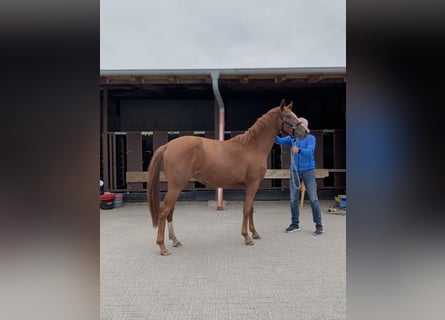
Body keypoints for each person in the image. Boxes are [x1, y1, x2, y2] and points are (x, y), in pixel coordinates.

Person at [274, 117, 323, 235]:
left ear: (305, 126)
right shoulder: (292, 138)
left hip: (308, 171)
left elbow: (310, 152)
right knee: (292, 199)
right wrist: (273, 130)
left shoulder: (311, 138)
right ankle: (295, 224)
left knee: (313, 199)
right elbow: (278, 141)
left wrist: (299, 150)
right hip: (295, 171)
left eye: (299, 124)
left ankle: (319, 224)